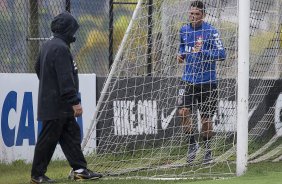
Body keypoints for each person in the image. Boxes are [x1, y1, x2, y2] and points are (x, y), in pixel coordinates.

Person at [31, 12, 102, 183]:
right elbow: (65, 77)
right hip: (57, 105)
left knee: (71, 136)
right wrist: (74, 101)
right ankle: (37, 175)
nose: (74, 34)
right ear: (66, 30)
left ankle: (80, 169)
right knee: (47, 140)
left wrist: (50, 86)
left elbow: (37, 67)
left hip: (57, 103)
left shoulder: (49, 45)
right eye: (73, 29)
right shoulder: (61, 48)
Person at [177, 1, 226, 165]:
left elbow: (222, 54)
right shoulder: (183, 30)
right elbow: (182, 48)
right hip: (188, 81)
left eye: (197, 14)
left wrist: (203, 50)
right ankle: (192, 145)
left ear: (203, 15)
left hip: (208, 82)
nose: (193, 16)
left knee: (206, 120)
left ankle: (207, 151)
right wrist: (180, 55)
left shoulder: (211, 32)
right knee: (183, 112)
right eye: (191, 13)